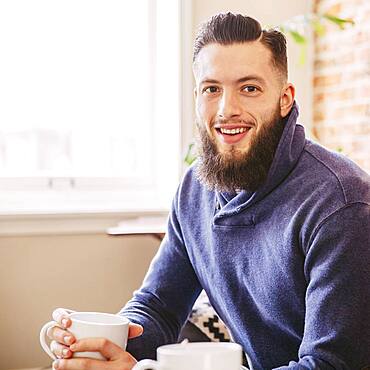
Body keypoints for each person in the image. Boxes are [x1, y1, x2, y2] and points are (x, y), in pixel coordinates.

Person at [47, 12, 370, 370]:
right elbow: (158, 304)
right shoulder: (194, 189)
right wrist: (107, 342)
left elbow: (331, 365)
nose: (227, 109)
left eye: (249, 88)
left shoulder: (341, 203)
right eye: (211, 89)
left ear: (285, 99)